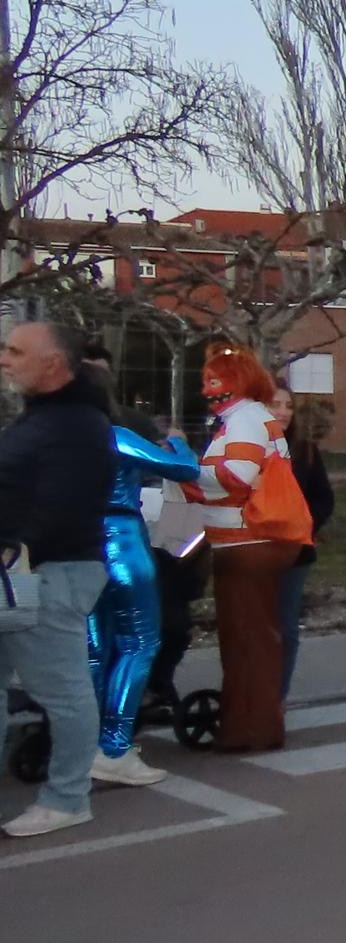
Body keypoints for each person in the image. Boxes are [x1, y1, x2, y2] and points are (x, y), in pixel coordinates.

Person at [0, 322, 113, 837]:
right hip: (24, 573)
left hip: (45, 575)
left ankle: (68, 797)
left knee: (63, 692)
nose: (4, 358)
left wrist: (16, 552)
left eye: (16, 351)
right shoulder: (43, 418)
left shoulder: (77, 425)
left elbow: (63, 507)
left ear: (54, 366)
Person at [182, 344, 308, 753]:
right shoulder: (247, 419)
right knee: (248, 639)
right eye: (205, 381)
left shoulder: (246, 419)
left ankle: (249, 729)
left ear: (236, 382)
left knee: (246, 640)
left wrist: (181, 468)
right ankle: (250, 724)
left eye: (215, 381)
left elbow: (236, 476)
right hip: (247, 540)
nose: (207, 390)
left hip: (247, 541)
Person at [86, 368, 199, 787]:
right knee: (138, 643)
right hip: (122, 542)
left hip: (80, 546)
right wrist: (180, 444)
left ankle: (84, 740)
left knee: (95, 648)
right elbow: (182, 470)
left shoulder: (59, 441)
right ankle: (114, 746)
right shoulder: (113, 436)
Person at [271, 390, 335, 700]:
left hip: (295, 551)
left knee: (286, 627)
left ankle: (276, 697)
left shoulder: (304, 451)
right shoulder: (248, 449)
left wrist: (305, 523)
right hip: (252, 551)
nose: (283, 412)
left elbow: (324, 498)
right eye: (275, 405)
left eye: (289, 406)